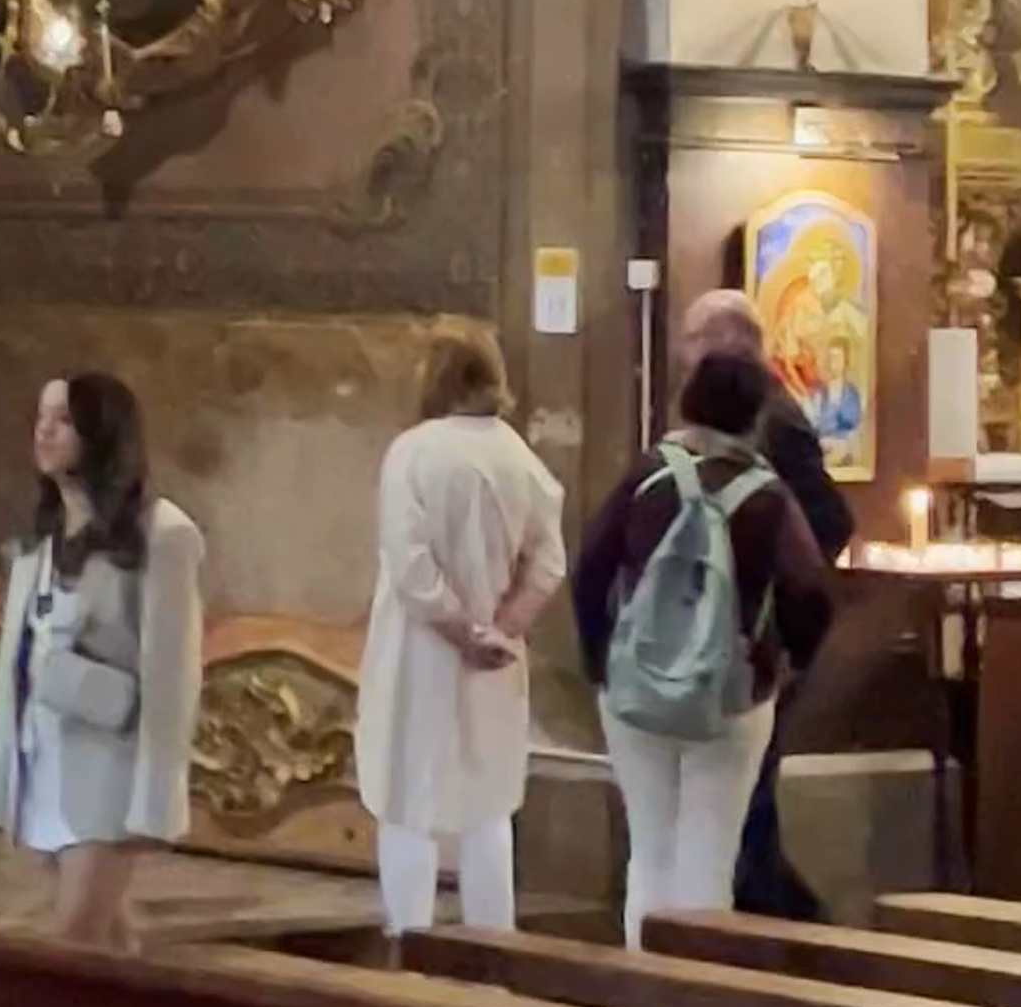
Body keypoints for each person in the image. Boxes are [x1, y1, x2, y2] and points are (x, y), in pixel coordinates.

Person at [573, 337, 835, 949]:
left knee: (650, 850)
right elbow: (812, 593)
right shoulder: (767, 496)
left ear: (688, 402)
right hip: (733, 694)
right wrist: (789, 664)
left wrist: (600, 662)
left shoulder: (648, 477)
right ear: (756, 416)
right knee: (710, 853)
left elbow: (589, 571)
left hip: (635, 690)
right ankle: (698, 989)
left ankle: (644, 980)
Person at [0, 366, 208, 948]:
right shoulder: (41, 541)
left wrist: (156, 804)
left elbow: (172, 679)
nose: (44, 431)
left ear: (101, 434)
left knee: (72, 939)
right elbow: (16, 669)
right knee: (109, 940)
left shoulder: (163, 535)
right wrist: (3, 780)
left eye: (64, 420)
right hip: (44, 763)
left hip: (109, 774)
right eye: (41, 418)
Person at [354, 321, 569, 943]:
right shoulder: (518, 455)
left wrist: (460, 630)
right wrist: (502, 628)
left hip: (419, 651)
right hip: (495, 659)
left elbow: (410, 566)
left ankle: (409, 941)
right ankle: (494, 945)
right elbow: (549, 562)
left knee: (406, 801)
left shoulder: (413, 452)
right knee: (487, 802)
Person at [676, 276, 851, 913]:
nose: (680, 351)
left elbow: (830, 520)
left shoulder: (772, 420)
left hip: (752, 640)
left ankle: (780, 923)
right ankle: (778, 919)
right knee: (743, 800)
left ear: (726, 344)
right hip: (735, 641)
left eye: (692, 338)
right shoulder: (733, 423)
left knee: (747, 800)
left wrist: (773, 603)